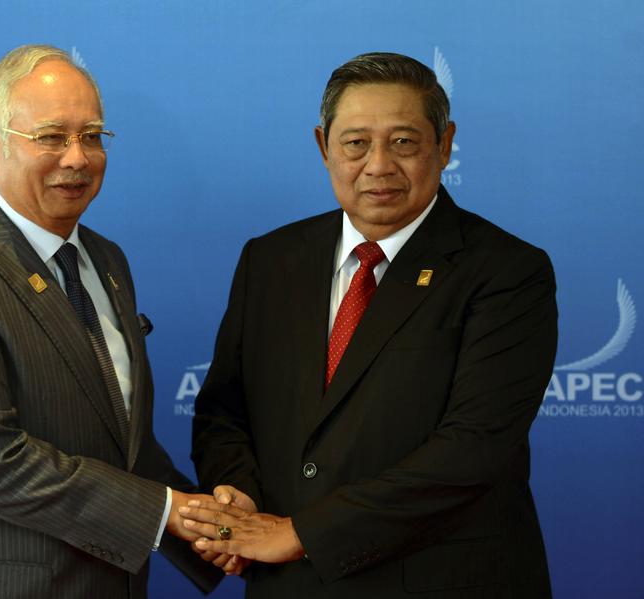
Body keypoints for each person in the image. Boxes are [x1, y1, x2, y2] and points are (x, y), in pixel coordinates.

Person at [185, 52, 557, 598]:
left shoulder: (506, 271)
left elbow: (471, 449)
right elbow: (223, 410)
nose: (379, 165)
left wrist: (301, 533)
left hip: (443, 582)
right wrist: (236, 498)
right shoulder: (270, 259)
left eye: (404, 141)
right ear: (323, 146)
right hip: (290, 584)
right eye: (356, 142)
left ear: (445, 144)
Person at [0, 44, 223, 599]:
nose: (77, 157)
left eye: (92, 136)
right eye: (51, 137)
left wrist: (209, 522)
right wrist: (166, 513)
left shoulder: (107, 260)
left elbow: (118, 444)